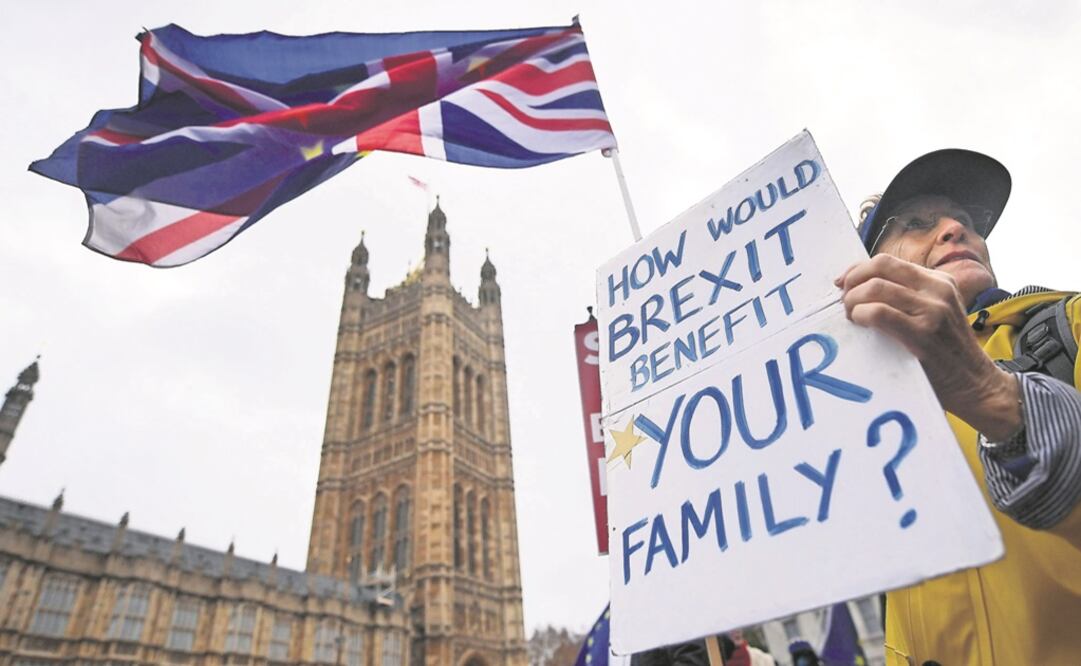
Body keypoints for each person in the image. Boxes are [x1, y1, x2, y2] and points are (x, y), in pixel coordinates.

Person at [835, 149, 1081, 665]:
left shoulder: (1072, 326)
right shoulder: (860, 427)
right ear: (867, 271)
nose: (952, 228)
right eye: (918, 224)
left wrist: (989, 395)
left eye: (965, 222)